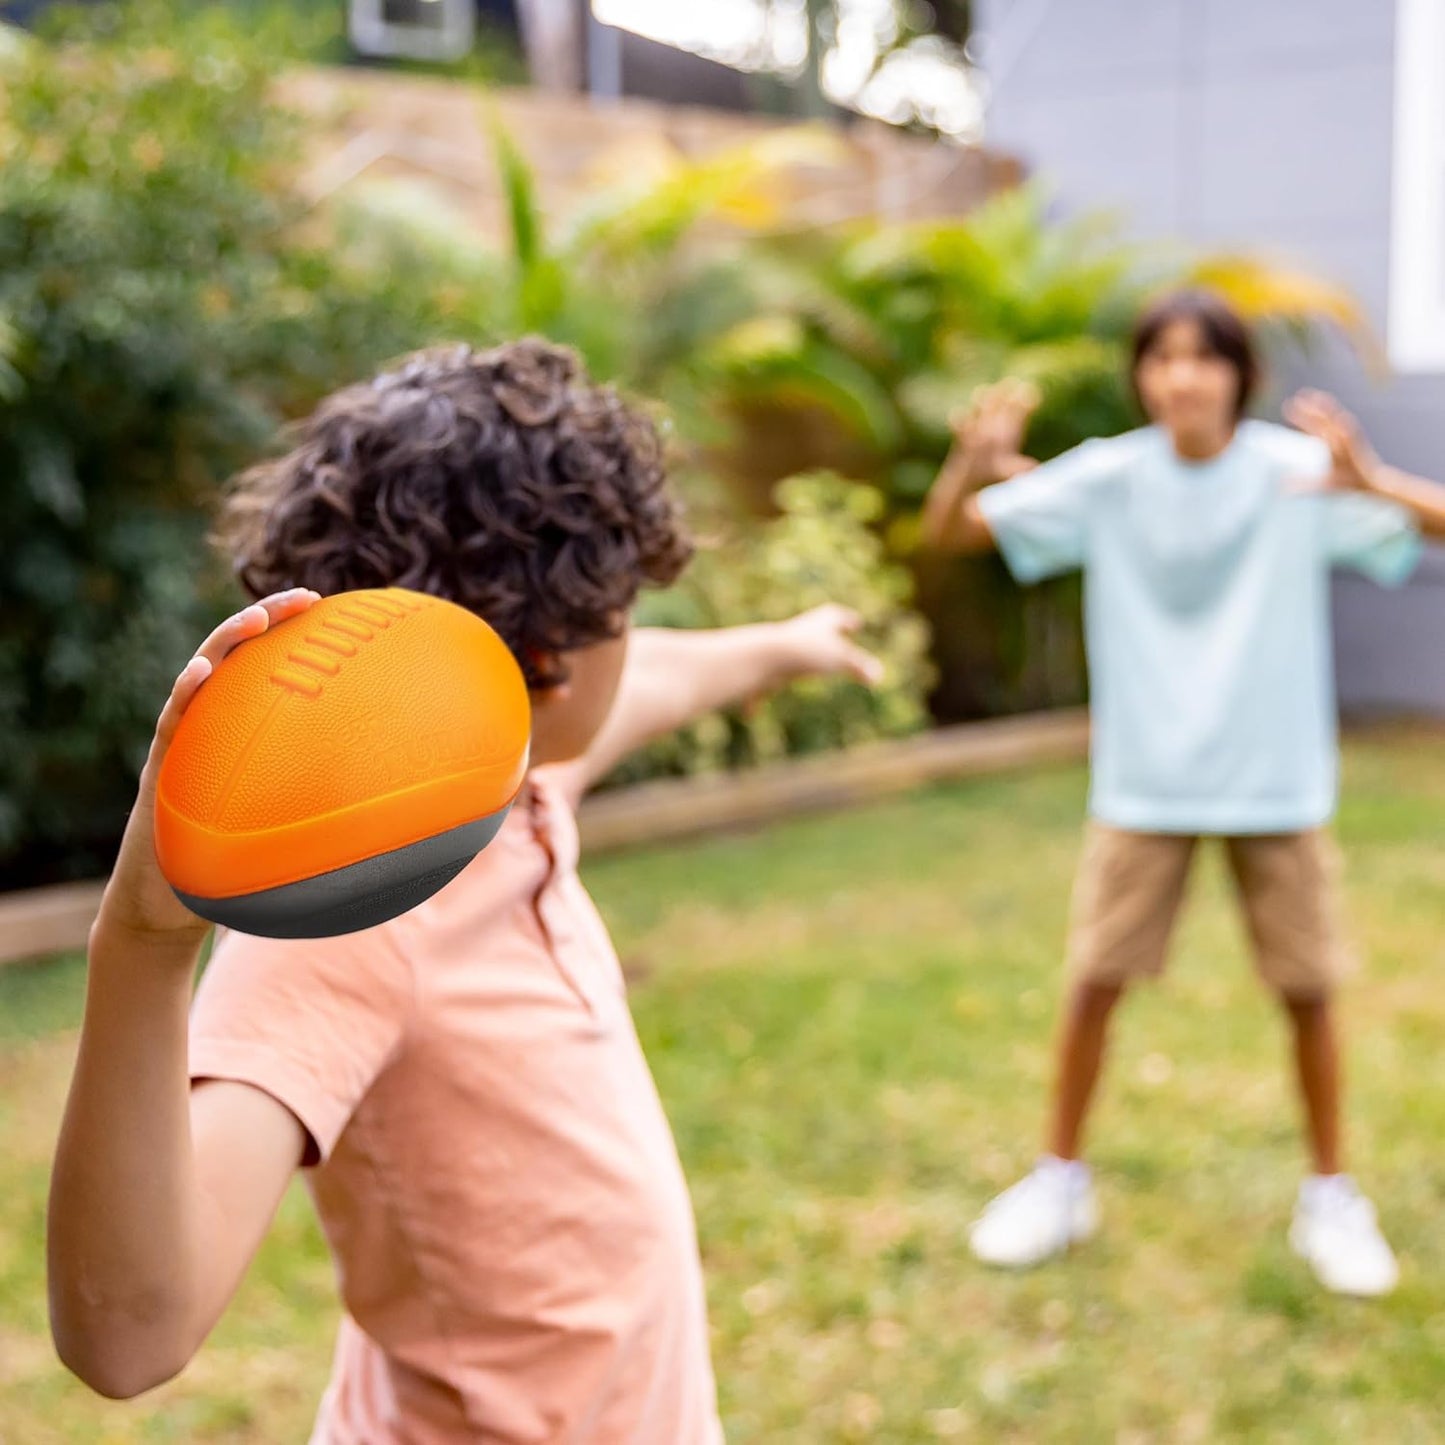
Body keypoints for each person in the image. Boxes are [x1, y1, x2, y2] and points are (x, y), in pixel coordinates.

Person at [47, 338, 884, 1442]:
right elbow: (128, 1332)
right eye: (628, 605)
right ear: (557, 648)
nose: (642, 641)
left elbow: (654, 683)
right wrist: (145, 945)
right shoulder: (355, 915)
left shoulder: (511, 772)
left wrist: (784, 644)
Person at [921, 288, 1445, 1297]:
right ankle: (1057, 1179)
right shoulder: (1111, 475)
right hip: (1145, 779)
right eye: (1160, 357)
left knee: (1307, 990)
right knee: (1093, 979)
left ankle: (1329, 1193)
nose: (1179, 376)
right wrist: (968, 463)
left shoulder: (1296, 475)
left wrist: (1371, 482)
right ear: (1141, 376)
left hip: (1275, 778)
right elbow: (955, 533)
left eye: (1201, 357)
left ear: (1235, 375)